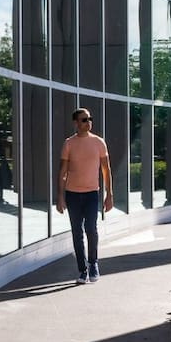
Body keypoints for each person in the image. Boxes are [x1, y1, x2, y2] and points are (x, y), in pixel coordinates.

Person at [56, 106, 112, 284]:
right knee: (76, 232)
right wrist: (60, 196)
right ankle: (82, 269)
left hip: (91, 194)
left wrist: (109, 194)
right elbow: (62, 171)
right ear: (76, 123)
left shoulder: (98, 142)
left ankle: (93, 262)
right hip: (72, 194)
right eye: (84, 120)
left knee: (91, 229)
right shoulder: (69, 143)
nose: (88, 122)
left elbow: (106, 169)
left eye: (89, 119)